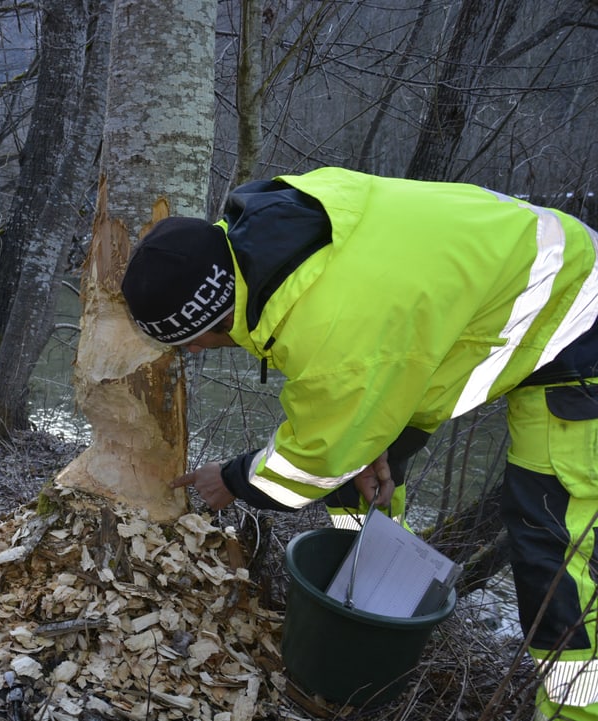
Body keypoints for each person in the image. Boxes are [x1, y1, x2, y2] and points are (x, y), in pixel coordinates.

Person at [120, 167, 598, 721]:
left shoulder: (330, 332)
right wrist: (364, 438)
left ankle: (575, 709)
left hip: (574, 317)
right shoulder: (277, 222)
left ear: (209, 321)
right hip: (465, 309)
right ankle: (374, 596)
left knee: (550, 538)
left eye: (188, 343)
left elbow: (311, 464)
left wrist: (230, 479)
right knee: (360, 471)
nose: (195, 354)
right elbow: (367, 375)